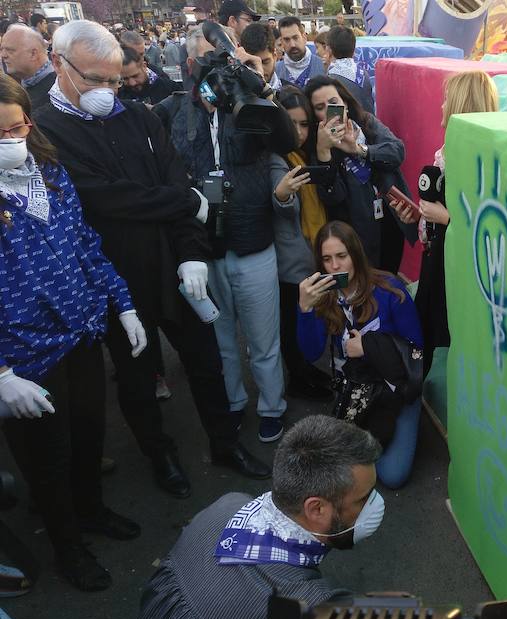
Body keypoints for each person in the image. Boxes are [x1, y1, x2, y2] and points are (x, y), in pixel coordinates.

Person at [117, 415, 507, 619]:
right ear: (316, 509)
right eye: (362, 498)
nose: (374, 507)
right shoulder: (297, 609)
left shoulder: (224, 508)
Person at [35, 20, 271, 499]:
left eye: (114, 79)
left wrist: (191, 254)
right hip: (115, 282)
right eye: (95, 79)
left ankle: (225, 442)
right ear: (59, 64)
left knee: (205, 362)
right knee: (138, 379)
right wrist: (184, 202)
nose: (107, 90)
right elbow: (105, 200)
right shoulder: (44, 130)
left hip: (174, 267)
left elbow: (171, 178)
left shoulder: (139, 118)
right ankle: (159, 454)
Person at [0, 74, 148, 590]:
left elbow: (85, 244)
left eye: (18, 128)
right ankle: (68, 546)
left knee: (89, 436)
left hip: (81, 334)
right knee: (48, 458)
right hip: (24, 358)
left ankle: (91, 512)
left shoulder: (50, 171)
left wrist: (123, 305)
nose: (12, 142)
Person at [155, 28, 289, 444]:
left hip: (253, 242)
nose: (214, 69)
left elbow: (288, 139)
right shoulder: (173, 110)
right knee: (222, 338)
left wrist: (257, 91)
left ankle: (272, 406)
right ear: (189, 65)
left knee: (264, 340)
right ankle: (233, 403)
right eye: (204, 60)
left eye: (221, 59)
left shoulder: (248, 106)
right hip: (204, 248)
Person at [297, 222, 423, 488]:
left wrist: (370, 347)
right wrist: (305, 310)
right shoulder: (323, 295)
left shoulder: (390, 290)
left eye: (342, 256)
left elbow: (416, 350)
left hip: (396, 389)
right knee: (339, 466)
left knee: (392, 475)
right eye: (327, 259)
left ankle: (404, 426)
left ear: (355, 254)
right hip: (355, 390)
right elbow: (310, 353)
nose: (335, 267)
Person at [390, 70, 498, 377]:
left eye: (447, 99)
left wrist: (446, 218)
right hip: (438, 262)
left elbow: (489, 228)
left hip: (457, 275)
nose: (441, 106)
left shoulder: (483, 159)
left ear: (462, 105)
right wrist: (416, 218)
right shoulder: (449, 152)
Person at [306, 75, 413, 273]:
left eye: (333, 102)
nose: (329, 111)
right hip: (355, 234)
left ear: (345, 103)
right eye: (320, 107)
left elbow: (397, 151)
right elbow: (332, 197)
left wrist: (358, 149)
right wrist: (324, 152)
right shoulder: (319, 147)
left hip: (389, 219)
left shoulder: (366, 123)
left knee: (389, 279)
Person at [271, 86, 332, 401]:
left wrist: (324, 154)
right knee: (291, 325)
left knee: (307, 320)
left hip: (311, 255)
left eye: (304, 123)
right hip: (288, 264)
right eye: (290, 123)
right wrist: (281, 196)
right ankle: (299, 377)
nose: (298, 131)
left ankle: (306, 373)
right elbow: (275, 205)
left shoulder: (308, 154)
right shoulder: (273, 158)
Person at [0, 24, 56, 111]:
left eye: (10, 50)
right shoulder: (25, 85)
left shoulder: (57, 91)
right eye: (1, 50)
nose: (3, 55)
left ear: (33, 54)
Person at [324, 26, 373, 115]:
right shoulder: (363, 74)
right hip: (369, 125)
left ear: (329, 50)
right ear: (353, 50)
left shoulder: (330, 79)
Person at [275, 16, 324, 90]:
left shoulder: (323, 67)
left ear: (304, 37)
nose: (292, 44)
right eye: (287, 40)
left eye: (295, 38)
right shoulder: (276, 71)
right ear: (281, 42)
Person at [240, 21, 280, 91]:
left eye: (265, 62)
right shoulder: (232, 92)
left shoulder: (292, 95)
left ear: (275, 56)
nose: (260, 70)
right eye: (252, 63)